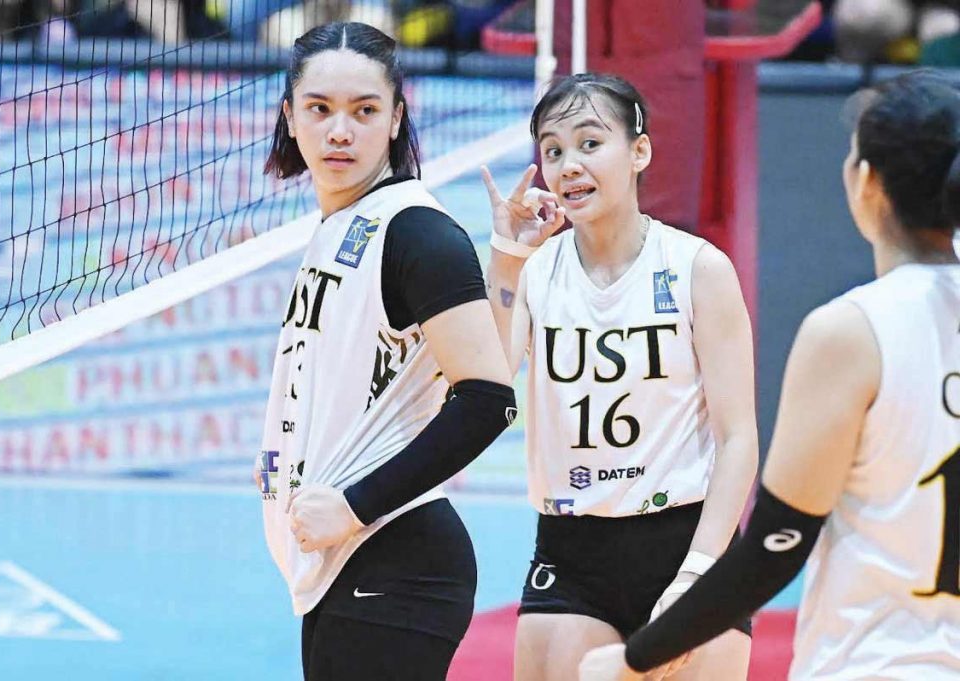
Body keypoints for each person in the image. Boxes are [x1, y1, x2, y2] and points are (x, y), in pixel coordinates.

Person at [578, 71, 960, 681]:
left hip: (875, 665)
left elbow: (776, 544)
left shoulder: (853, 330)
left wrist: (634, 658)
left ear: (864, 182)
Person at [255, 21, 516, 681]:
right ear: (289, 117)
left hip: (396, 559)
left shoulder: (417, 233)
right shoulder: (337, 227)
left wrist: (352, 505)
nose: (339, 130)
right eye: (319, 109)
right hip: (349, 565)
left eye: (364, 111)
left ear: (396, 119)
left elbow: (488, 398)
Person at [481, 72, 757, 681]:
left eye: (588, 142)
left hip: (689, 541)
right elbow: (488, 383)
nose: (568, 164)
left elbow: (739, 439)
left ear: (639, 151)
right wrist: (507, 254)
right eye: (552, 150)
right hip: (572, 553)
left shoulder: (698, 268)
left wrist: (698, 573)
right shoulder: (537, 269)